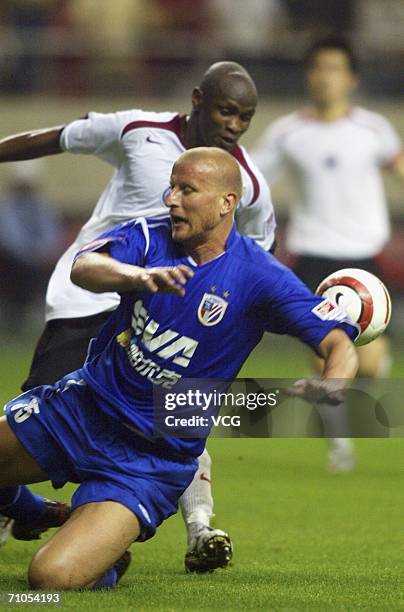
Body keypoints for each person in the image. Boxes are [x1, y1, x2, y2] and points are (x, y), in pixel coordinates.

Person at [0, 147, 358, 590]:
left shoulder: (260, 276)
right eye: (171, 186)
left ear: (227, 202)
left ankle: (104, 557)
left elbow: (336, 341)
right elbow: (84, 267)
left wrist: (335, 380)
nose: (171, 199)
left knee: (47, 581)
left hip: (148, 458)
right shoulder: (149, 237)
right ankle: (41, 512)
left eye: (187, 190)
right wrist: (133, 276)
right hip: (82, 409)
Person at [0, 61, 276, 571]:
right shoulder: (138, 129)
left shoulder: (249, 185)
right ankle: (31, 511)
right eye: (226, 111)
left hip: (167, 315)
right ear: (198, 99)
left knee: (169, 419)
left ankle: (173, 533)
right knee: (43, 413)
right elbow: (56, 137)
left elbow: (257, 254)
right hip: (91, 299)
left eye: (245, 117)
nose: (234, 125)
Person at [252, 37, 404, 471]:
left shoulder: (373, 129)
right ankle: (339, 442)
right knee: (327, 357)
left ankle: (362, 385)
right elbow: (252, 181)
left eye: (335, 68)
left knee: (370, 363)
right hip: (313, 257)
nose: (325, 77)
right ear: (308, 75)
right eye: (318, 68)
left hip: (364, 260)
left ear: (351, 79)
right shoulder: (288, 132)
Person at [0, 160, 63, 333]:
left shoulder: (42, 207)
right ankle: (17, 318)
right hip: (14, 262)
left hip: (39, 261)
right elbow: (11, 237)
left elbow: (50, 234)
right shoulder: (7, 208)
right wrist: (31, 255)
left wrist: (43, 253)